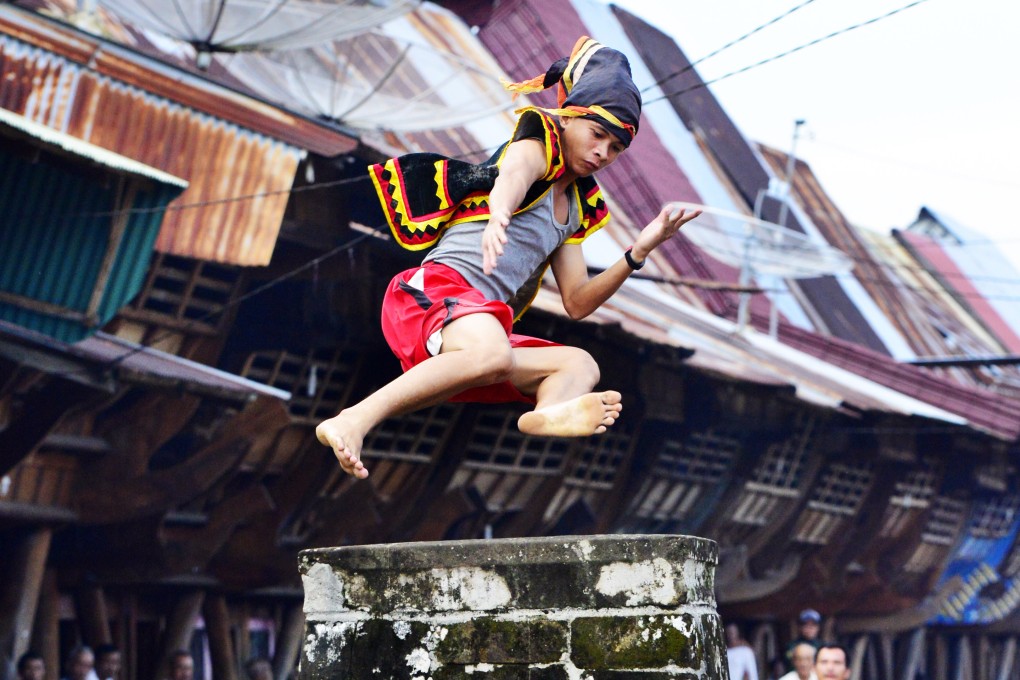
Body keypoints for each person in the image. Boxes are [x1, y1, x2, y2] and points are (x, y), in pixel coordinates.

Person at [316, 36, 701, 478]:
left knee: (580, 363)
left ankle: (549, 412)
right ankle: (352, 419)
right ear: (569, 116)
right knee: (493, 353)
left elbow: (576, 301)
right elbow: (516, 171)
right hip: (432, 293)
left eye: (616, 148)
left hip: (478, 327)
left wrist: (639, 251)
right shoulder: (539, 140)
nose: (602, 153)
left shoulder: (576, 207)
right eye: (598, 136)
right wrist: (500, 209)